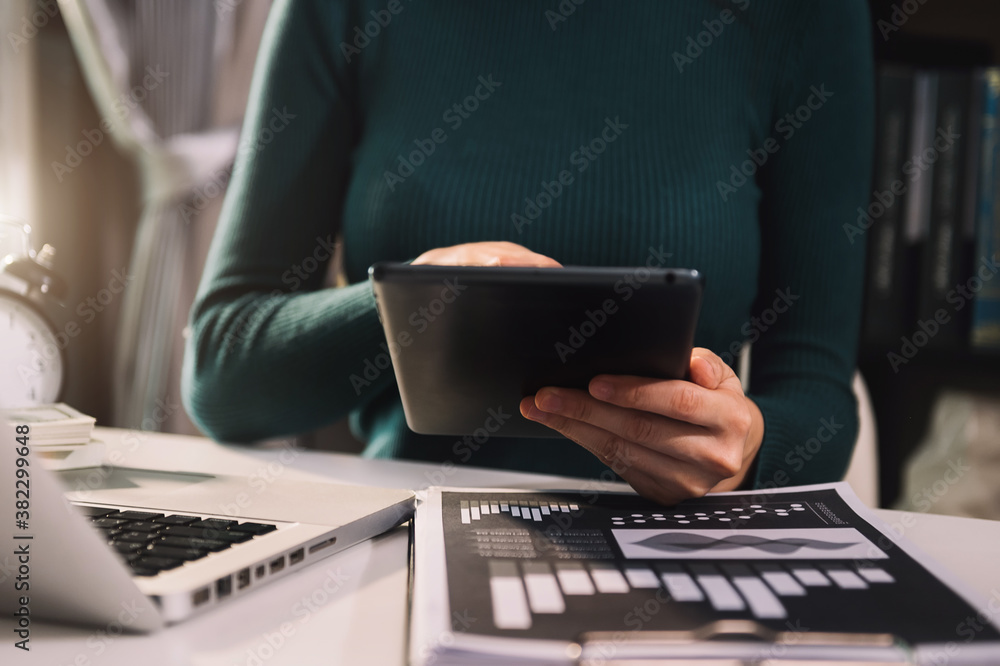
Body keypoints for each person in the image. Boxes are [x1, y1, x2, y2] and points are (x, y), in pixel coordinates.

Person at [182, 0, 874, 505]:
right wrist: (416, 301)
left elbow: (816, 390)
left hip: (677, 551)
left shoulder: (805, 15)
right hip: (409, 540)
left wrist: (747, 451)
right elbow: (223, 370)